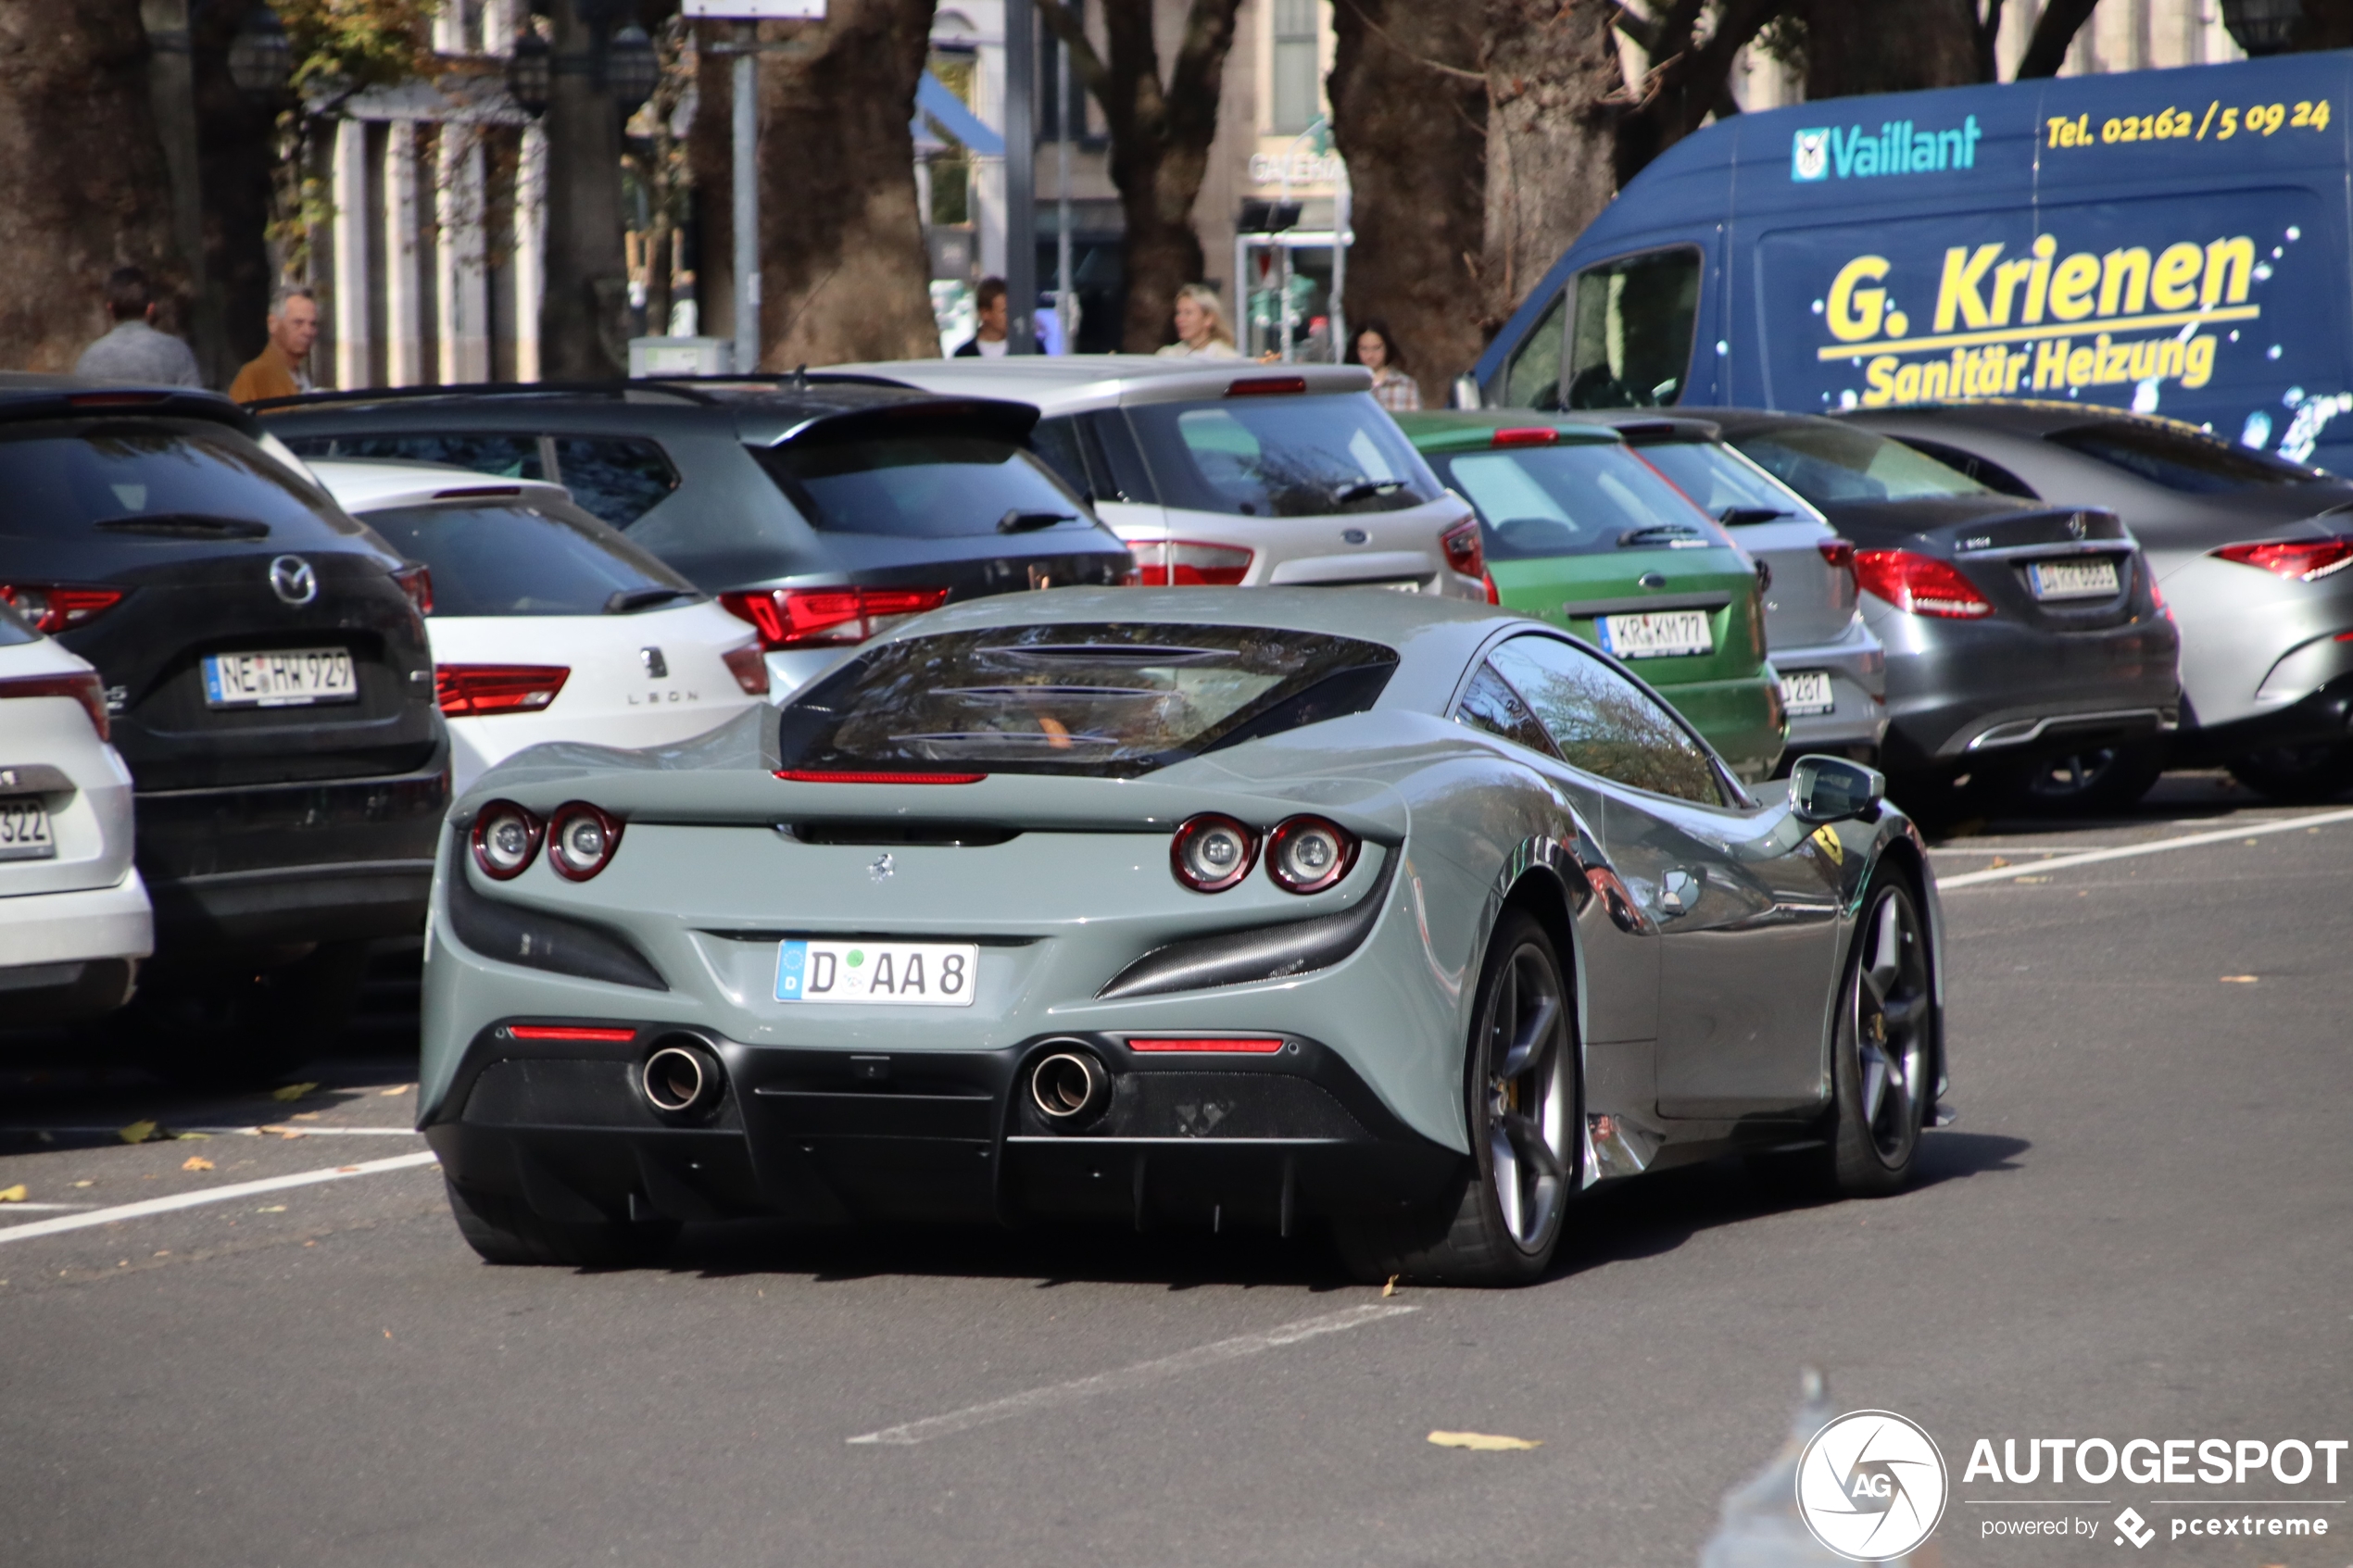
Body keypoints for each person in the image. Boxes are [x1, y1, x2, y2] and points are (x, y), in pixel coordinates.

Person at [73, 266, 202, 387]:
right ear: (151, 309)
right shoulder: (177, 352)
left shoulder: (89, 358)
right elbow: (195, 404)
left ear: (110, 310)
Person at [228, 287, 321, 403]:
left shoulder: (301, 376)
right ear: (273, 324)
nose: (308, 331)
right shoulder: (254, 377)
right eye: (298, 323)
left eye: (313, 324)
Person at [953, 276, 1042, 358]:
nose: (1012, 316)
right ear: (985, 313)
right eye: (1005, 311)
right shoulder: (963, 355)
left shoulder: (1032, 349)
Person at [1349, 319, 1422, 411]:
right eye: (1364, 348)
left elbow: (1414, 423)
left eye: (1376, 348)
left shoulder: (1405, 385)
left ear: (1387, 347)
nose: (1370, 355)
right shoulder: (1349, 388)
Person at [1155, 283, 1240, 358]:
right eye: (1178, 313)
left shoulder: (1226, 358)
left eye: (1188, 313)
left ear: (1208, 319)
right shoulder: (1168, 355)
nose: (1180, 319)